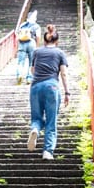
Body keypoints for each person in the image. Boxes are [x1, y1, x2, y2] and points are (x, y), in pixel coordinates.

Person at [27, 25, 70, 160]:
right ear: (57, 41)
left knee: (36, 117)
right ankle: (48, 151)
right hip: (52, 86)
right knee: (51, 120)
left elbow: (33, 70)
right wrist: (67, 92)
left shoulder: (37, 52)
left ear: (44, 41)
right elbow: (63, 73)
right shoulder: (59, 53)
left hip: (35, 87)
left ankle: (35, 129)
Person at [15, 11, 40, 84]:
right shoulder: (37, 26)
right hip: (32, 43)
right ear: (35, 18)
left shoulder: (22, 25)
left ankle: (19, 75)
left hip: (22, 43)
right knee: (31, 62)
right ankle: (29, 78)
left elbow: (18, 35)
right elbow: (38, 37)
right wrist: (37, 46)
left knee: (20, 61)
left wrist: (17, 45)